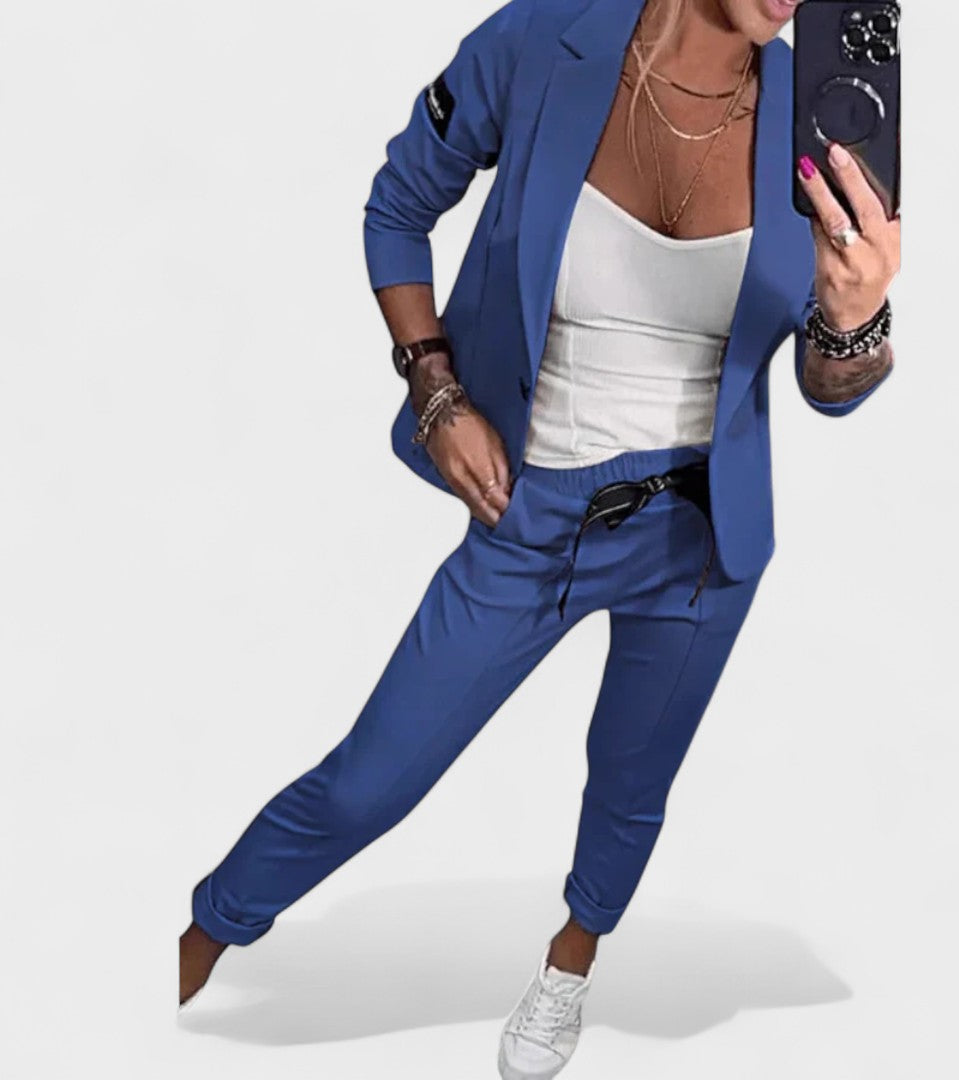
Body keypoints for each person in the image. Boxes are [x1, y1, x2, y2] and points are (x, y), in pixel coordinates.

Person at [179, 0, 900, 1076]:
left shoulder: (821, 114)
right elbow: (397, 207)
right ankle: (196, 942)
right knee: (370, 781)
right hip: (532, 515)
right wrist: (436, 391)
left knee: (628, 788)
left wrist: (856, 318)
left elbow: (831, 388)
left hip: (701, 545)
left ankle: (571, 962)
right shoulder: (543, 42)